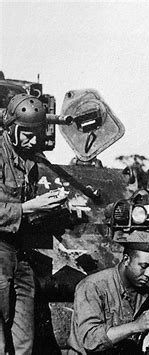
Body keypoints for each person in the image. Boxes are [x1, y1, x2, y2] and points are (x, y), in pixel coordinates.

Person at [0, 94, 68, 355]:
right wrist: (29, 208)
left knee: (25, 337)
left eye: (37, 133)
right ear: (12, 128)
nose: (33, 140)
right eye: (27, 133)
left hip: (21, 252)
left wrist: (48, 205)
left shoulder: (29, 160)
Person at [68, 231, 149, 354]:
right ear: (126, 260)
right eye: (143, 266)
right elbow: (90, 340)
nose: (148, 274)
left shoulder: (146, 294)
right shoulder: (93, 286)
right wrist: (135, 326)